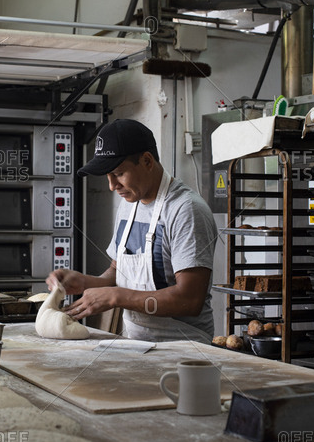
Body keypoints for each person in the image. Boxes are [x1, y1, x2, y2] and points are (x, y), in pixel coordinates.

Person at [46, 118, 218, 343]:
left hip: (186, 348)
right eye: (107, 176)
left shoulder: (185, 210)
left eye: (118, 173)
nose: (111, 186)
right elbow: (119, 271)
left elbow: (190, 299)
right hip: (138, 344)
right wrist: (84, 282)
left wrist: (117, 297)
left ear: (147, 161)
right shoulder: (129, 203)